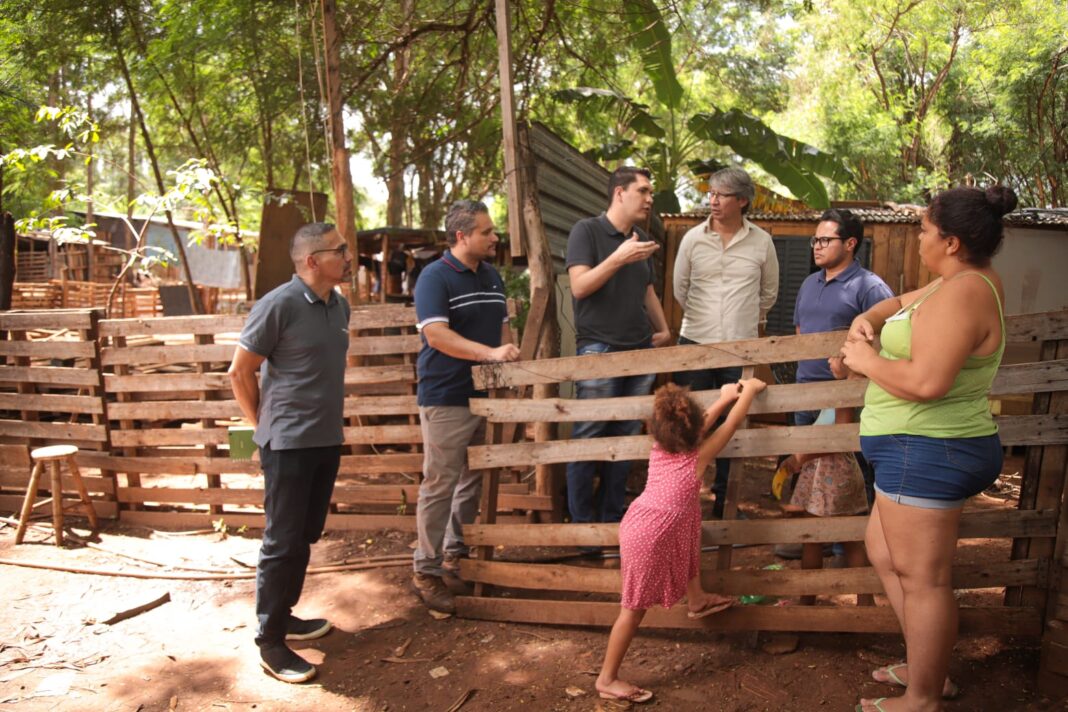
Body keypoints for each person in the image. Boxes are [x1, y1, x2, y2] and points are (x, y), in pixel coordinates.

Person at [841, 185, 1017, 712]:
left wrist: (864, 361)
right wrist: (866, 321)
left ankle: (923, 696)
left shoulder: (966, 292)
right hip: (914, 447)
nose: (918, 238)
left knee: (924, 580)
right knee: (884, 553)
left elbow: (927, 382)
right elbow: (896, 303)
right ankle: (926, 670)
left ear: (953, 241)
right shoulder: (954, 283)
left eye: (924, 229)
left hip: (930, 448)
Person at [228, 222, 353, 683]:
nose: (347, 255)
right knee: (282, 541)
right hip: (287, 444)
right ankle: (270, 641)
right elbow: (240, 373)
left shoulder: (339, 304)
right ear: (312, 261)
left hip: (325, 439)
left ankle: (286, 616)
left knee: (305, 534)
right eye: (340, 250)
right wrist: (263, 427)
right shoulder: (277, 304)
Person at [596, 378, 766, 703]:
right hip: (650, 534)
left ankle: (697, 598)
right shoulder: (697, 456)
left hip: (645, 523)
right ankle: (606, 678)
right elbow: (730, 424)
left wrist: (724, 397)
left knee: (689, 530)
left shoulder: (662, 447)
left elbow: (697, 426)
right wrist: (748, 394)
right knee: (632, 610)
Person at [410, 199, 520, 614]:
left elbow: (504, 328)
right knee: (440, 483)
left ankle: (453, 555)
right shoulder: (434, 278)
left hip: (485, 396)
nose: (495, 238)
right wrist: (490, 355)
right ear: (462, 236)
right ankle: (425, 568)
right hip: (446, 395)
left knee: (472, 479)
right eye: (487, 232)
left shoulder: (492, 276)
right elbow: (437, 336)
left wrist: (508, 356)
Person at [776, 209, 893, 560]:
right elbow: (801, 334)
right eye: (816, 239)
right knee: (809, 475)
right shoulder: (809, 283)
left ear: (850, 243)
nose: (817, 246)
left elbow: (885, 341)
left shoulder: (870, 287)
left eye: (825, 239)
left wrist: (849, 374)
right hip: (804, 393)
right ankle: (816, 540)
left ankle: (856, 545)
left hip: (847, 400)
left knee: (852, 473)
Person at [565, 166, 671, 525]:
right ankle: (581, 526)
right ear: (619, 193)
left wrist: (664, 328)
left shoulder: (641, 236)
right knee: (590, 436)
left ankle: (611, 520)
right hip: (599, 351)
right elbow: (579, 287)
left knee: (626, 439)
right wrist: (618, 258)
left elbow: (646, 290)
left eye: (650, 192)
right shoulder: (587, 231)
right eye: (642, 191)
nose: (649, 198)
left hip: (640, 352)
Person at [673, 167, 779, 517]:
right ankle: (684, 500)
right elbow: (680, 290)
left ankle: (724, 504)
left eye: (722, 195)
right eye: (711, 193)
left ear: (742, 200)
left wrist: (740, 320)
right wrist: (705, 321)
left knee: (734, 423)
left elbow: (768, 294)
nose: (713, 200)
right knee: (688, 423)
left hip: (740, 346)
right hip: (694, 342)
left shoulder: (762, 241)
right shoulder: (691, 239)